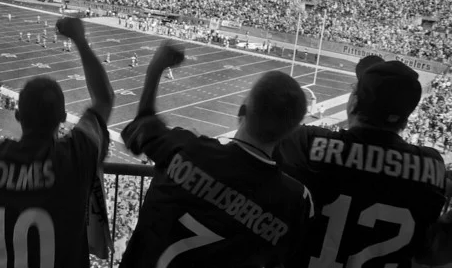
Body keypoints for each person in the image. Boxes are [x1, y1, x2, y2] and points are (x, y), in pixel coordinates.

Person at [119, 41, 314, 268]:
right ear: (291, 132)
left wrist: (156, 67)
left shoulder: (188, 149)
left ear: (241, 111)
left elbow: (139, 130)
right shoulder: (294, 201)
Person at [274, 56, 452, 267]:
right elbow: (432, 254)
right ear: (406, 116)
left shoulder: (306, 143)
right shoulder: (431, 165)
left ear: (355, 102)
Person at [0, 18, 115, 268]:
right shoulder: (73, 157)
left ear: (18, 116)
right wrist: (80, 40)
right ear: (63, 118)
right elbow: (104, 100)